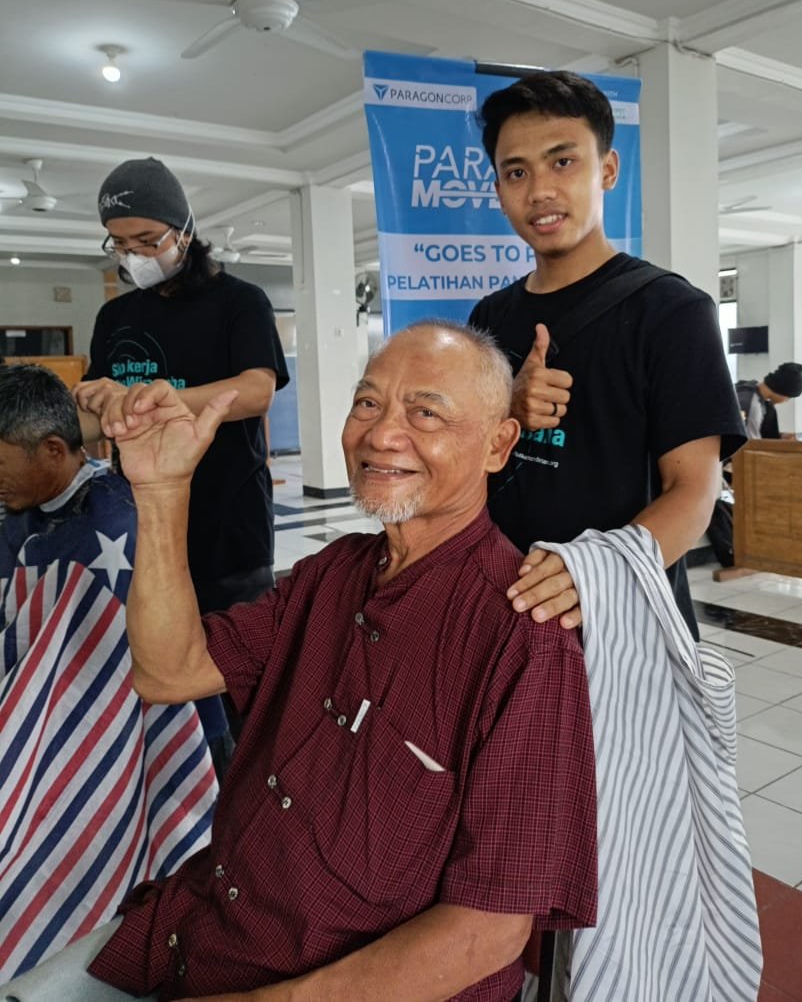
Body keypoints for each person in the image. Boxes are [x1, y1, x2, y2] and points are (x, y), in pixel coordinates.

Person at [3, 322, 597, 1002]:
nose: (380, 434)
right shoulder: (331, 573)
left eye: (425, 412)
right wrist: (162, 492)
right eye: (367, 404)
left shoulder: (522, 638)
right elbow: (169, 672)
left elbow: (488, 932)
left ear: (499, 445)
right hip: (199, 930)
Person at [468, 71, 746, 640]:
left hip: (624, 623)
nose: (540, 189)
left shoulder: (670, 310)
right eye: (516, 172)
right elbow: (465, 467)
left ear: (608, 171)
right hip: (501, 611)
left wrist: (594, 574)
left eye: (563, 162)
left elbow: (694, 491)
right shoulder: (489, 319)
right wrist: (506, 411)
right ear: (498, 190)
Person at [0, 365, 216, 983]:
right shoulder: (18, 515)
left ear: (51, 450)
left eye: (0, 465)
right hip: (43, 722)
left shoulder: (119, 516)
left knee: (171, 848)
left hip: (148, 724)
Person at [73, 156, 290, 757]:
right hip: (143, 522)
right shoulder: (115, 315)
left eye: (149, 239)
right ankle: (181, 786)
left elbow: (256, 390)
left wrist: (157, 399)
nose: (134, 254)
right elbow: (100, 414)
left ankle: (254, 777)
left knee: (238, 673)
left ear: (185, 230)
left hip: (229, 521)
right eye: (119, 242)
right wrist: (91, 403)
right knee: (165, 663)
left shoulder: (239, 301)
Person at [736, 362, 802, 440]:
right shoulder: (753, 405)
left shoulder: (748, 387)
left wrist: (781, 437)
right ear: (782, 391)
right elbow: (750, 445)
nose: (786, 401)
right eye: (789, 397)